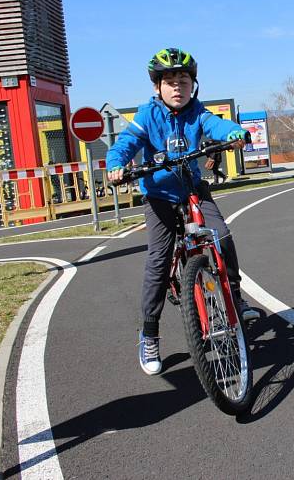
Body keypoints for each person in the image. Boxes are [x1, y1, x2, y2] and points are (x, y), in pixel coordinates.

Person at [106, 47, 259, 376]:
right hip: (159, 195)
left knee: (221, 236)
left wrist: (234, 134)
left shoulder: (197, 113)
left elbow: (216, 126)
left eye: (184, 80)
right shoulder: (148, 115)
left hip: (191, 187)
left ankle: (235, 296)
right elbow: (126, 143)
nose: (178, 87)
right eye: (170, 81)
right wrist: (116, 164)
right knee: (159, 263)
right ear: (157, 86)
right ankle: (149, 333)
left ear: (193, 85)